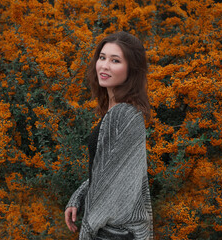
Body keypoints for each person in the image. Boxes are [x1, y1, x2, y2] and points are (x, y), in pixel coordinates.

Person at [64, 31, 154, 240]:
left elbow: (116, 190)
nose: (104, 66)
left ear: (131, 70)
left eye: (115, 60)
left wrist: (87, 228)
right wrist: (79, 196)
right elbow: (105, 172)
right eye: (102, 57)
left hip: (114, 233)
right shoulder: (115, 110)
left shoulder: (124, 115)